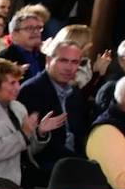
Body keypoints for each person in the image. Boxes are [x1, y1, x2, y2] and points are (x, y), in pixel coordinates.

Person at [0, 58, 60, 189]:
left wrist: (39, 132)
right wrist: (23, 134)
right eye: (12, 83)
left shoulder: (18, 108)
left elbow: (27, 150)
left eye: (18, 82)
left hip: (22, 178)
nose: (18, 87)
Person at [17, 39, 89, 178]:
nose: (69, 68)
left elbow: (79, 132)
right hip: (46, 164)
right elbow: (30, 145)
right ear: (49, 60)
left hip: (74, 159)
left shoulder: (74, 92)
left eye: (74, 62)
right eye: (63, 60)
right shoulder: (31, 90)